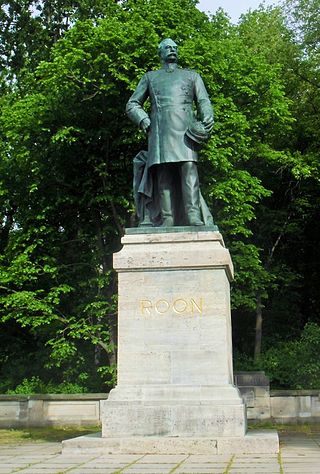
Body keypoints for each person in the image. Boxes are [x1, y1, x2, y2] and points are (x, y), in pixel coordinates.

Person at [126, 38, 214, 227]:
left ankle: (193, 216)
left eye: (175, 47)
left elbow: (204, 101)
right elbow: (132, 104)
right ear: (160, 53)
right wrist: (143, 119)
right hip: (160, 131)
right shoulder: (150, 77)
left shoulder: (192, 76)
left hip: (186, 133)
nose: (172, 50)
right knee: (163, 175)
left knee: (189, 170)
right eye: (167, 47)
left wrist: (207, 116)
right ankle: (167, 219)